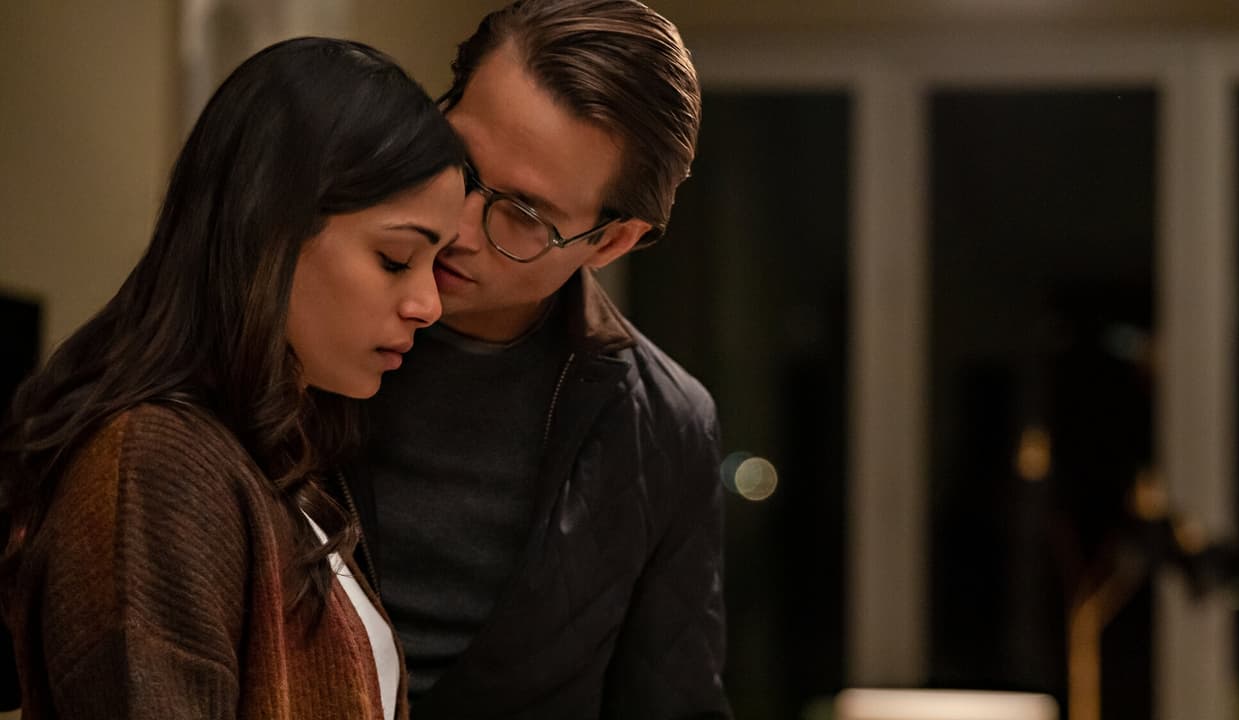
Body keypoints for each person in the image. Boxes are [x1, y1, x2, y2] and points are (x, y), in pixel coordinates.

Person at [0, 37, 465, 719]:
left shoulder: (280, 466)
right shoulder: (158, 463)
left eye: (437, 264)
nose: (428, 304)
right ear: (268, 231)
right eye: (396, 258)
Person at [339, 1, 731, 717]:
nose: (458, 226)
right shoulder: (295, 319)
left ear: (612, 242)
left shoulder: (661, 427)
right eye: (457, 160)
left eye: (523, 215)